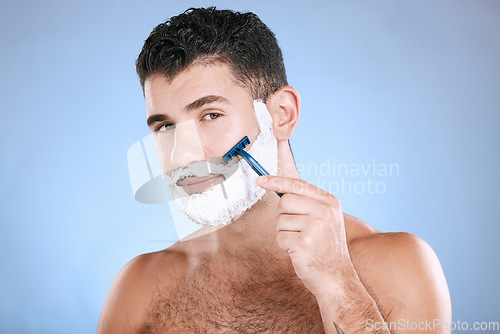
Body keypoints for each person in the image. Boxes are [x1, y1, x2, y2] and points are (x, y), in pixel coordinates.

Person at [98, 7, 451, 334]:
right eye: (165, 127)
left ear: (282, 114)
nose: (183, 153)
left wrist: (337, 284)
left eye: (211, 115)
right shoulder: (138, 287)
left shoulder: (400, 266)